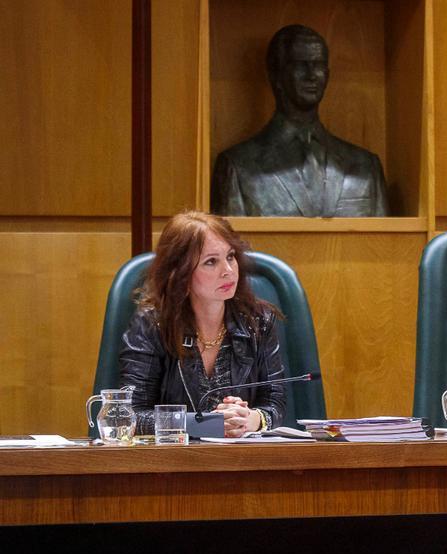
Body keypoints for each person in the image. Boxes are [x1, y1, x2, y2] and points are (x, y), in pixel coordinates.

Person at [119, 211, 286, 437]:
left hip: (241, 462)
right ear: (180, 274)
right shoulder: (153, 324)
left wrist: (252, 419)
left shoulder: (258, 321)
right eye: (211, 262)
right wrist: (206, 423)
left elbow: (275, 402)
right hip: (172, 464)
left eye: (230, 256)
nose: (228, 271)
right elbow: (130, 415)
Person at [211, 24, 389, 217]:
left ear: (327, 75)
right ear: (276, 75)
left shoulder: (366, 167)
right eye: (300, 64)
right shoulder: (238, 166)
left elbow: (384, 245)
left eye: (319, 64)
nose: (311, 74)